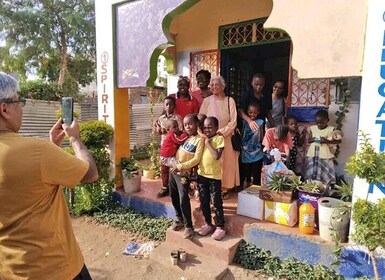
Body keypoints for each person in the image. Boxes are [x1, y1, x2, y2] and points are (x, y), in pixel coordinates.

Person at [0, 72, 98, 279]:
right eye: (19, 101)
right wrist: (75, 140)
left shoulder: (40, 153)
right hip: (56, 268)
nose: (21, 109)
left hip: (11, 271)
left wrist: (52, 145)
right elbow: (90, 173)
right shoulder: (38, 152)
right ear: (4, 108)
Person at [199, 76, 239, 199]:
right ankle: (213, 187)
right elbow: (201, 119)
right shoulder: (207, 101)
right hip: (211, 139)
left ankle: (225, 187)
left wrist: (222, 132)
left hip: (226, 137)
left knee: (227, 163)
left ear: (223, 86)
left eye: (217, 84)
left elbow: (233, 121)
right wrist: (204, 134)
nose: (214, 87)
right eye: (212, 85)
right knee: (214, 162)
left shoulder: (229, 101)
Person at [169, 114, 204, 239]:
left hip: (183, 173)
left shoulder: (199, 140)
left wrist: (181, 166)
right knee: (173, 195)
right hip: (173, 171)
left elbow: (196, 159)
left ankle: (189, 226)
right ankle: (179, 219)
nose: (188, 127)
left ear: (197, 124)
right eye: (185, 125)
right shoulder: (185, 138)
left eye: (190, 124)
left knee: (183, 197)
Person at [197, 117, 226, 240]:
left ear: (216, 128)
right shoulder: (202, 139)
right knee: (204, 201)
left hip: (214, 177)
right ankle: (208, 223)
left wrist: (208, 143)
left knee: (216, 202)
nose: (207, 130)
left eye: (210, 127)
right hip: (202, 175)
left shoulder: (219, 139)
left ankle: (220, 226)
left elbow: (216, 156)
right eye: (205, 127)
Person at [154, 96, 183, 198]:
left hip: (174, 147)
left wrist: (171, 131)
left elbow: (181, 131)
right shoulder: (161, 118)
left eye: (171, 104)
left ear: (174, 106)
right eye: (166, 104)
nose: (168, 106)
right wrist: (158, 131)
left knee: (175, 167)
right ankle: (165, 187)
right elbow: (157, 129)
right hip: (164, 147)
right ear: (164, 106)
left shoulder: (178, 118)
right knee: (164, 169)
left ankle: (175, 188)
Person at [305, 110, 341, 185]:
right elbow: (309, 140)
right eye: (317, 122)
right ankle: (312, 187)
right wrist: (312, 139)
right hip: (313, 155)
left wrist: (326, 141)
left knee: (325, 173)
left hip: (325, 155)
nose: (319, 124)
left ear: (327, 120)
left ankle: (326, 188)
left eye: (322, 122)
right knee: (312, 173)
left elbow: (338, 141)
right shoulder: (312, 128)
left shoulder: (331, 129)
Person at [240, 102, 264, 188]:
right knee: (246, 172)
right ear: (247, 112)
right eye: (250, 112)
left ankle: (256, 190)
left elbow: (262, 136)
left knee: (256, 173)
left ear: (258, 112)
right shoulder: (245, 122)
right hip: (245, 152)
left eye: (254, 113)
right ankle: (246, 188)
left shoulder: (260, 122)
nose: (252, 115)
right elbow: (243, 134)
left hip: (256, 152)